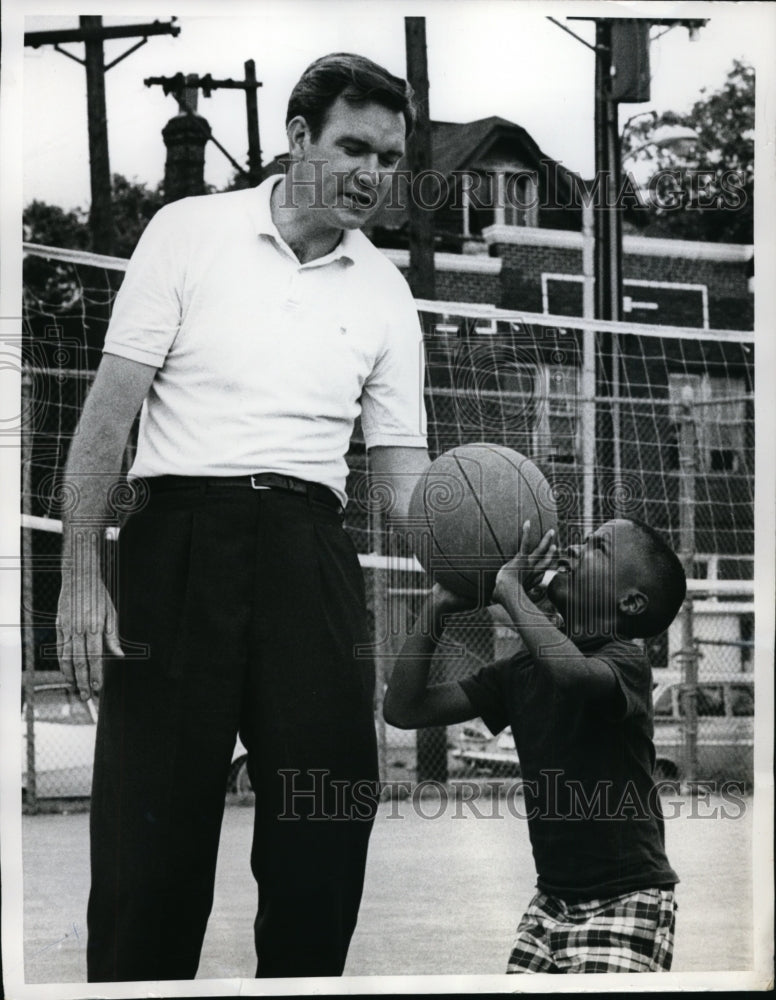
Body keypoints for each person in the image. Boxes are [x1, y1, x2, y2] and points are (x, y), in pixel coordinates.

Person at [56, 53, 430, 981]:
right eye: (353, 146)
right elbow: (107, 419)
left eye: (388, 157)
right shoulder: (188, 232)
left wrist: (482, 562)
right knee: (153, 837)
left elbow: (401, 471)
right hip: (179, 541)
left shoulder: (386, 292)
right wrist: (78, 577)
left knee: (331, 809)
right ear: (297, 137)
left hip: (311, 549)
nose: (372, 175)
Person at [384, 517, 687, 974]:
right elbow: (405, 709)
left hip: (628, 897)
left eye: (598, 548)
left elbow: (572, 675)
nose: (574, 548)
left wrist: (511, 591)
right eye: (584, 539)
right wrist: (438, 605)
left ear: (630, 601)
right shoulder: (520, 670)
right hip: (552, 901)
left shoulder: (625, 660)